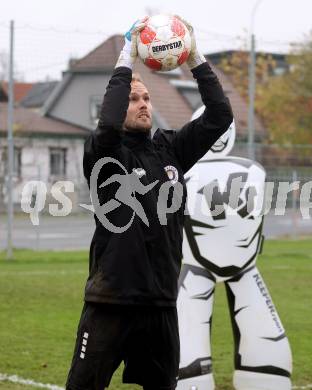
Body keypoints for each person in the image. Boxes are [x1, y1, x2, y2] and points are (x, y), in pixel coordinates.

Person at [65, 16, 233, 390]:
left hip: (160, 304)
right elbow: (107, 126)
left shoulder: (169, 149)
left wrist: (194, 57)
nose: (143, 104)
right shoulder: (105, 155)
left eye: (146, 98)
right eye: (132, 99)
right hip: (111, 303)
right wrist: (127, 57)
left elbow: (220, 115)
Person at [176, 107, 292, 390]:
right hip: (241, 267)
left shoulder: (183, 172)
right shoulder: (253, 171)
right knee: (266, 350)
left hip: (201, 268)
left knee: (185, 346)